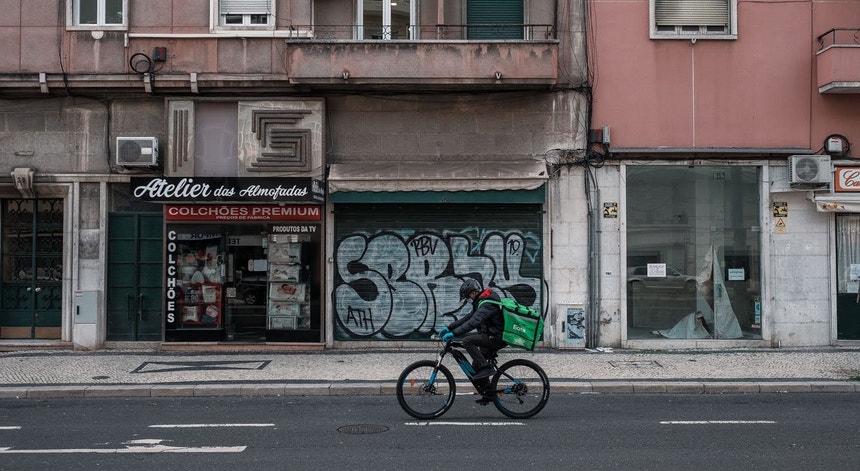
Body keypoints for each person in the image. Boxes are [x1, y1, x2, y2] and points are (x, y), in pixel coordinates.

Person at [438, 278, 506, 380]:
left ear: (473, 292)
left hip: (496, 337)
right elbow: (468, 318)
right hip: (490, 335)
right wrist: (449, 327)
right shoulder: (481, 302)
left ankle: (486, 368)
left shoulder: (487, 304)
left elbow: (473, 322)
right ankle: (487, 390)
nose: (469, 299)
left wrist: (454, 333)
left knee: (467, 341)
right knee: (476, 368)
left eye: (468, 296)